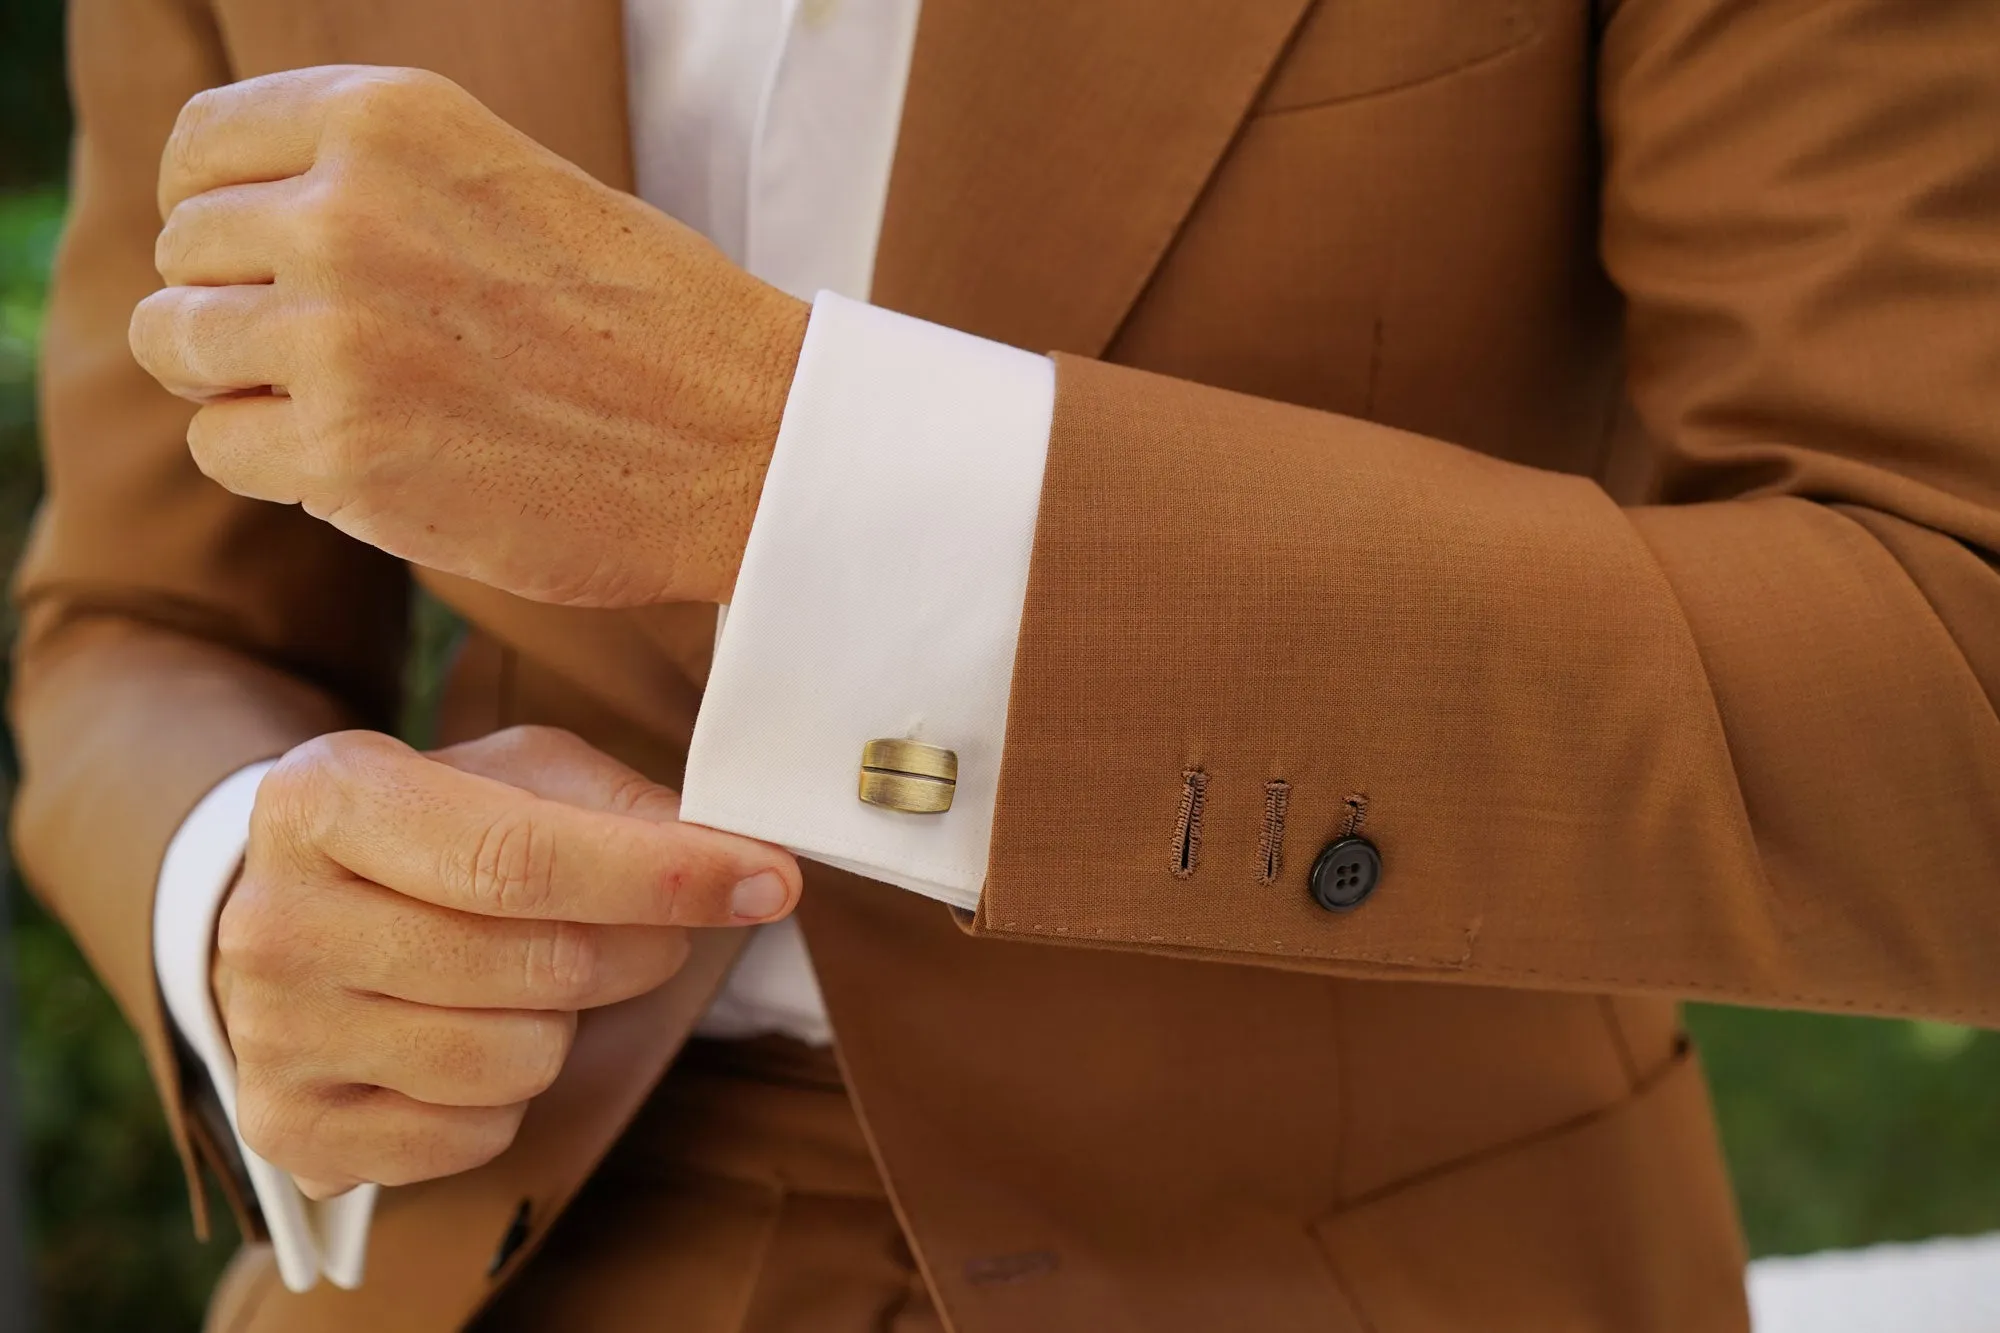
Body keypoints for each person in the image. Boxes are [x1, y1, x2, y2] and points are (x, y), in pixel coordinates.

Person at [15, 0, 2000, 1328]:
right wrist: (234, 884)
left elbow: (1953, 694)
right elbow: (140, 623)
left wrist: (783, 466)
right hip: (500, 1242)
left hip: (1367, 1255)